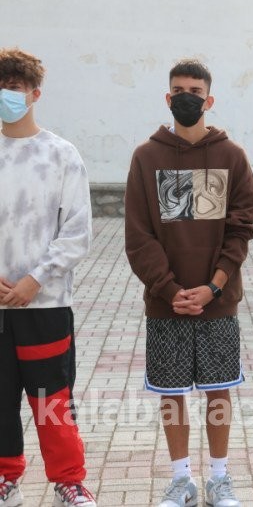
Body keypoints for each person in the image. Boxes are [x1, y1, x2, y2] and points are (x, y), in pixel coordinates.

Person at [125, 59, 253, 507]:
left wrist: (214, 286)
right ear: (168, 98)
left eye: (195, 91)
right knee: (171, 393)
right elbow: (138, 235)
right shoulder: (146, 157)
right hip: (167, 302)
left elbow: (241, 229)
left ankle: (220, 478)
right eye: (179, 90)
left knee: (218, 389)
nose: (187, 97)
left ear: (209, 99)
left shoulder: (232, 156)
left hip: (217, 301)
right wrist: (169, 290)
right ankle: (181, 479)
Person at [0, 47, 97, 507]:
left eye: (15, 88)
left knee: (52, 399)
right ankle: (6, 478)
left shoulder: (61, 155)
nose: (7, 94)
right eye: (1, 87)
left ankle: (68, 481)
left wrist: (35, 279)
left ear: (35, 94)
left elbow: (77, 232)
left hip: (46, 303)